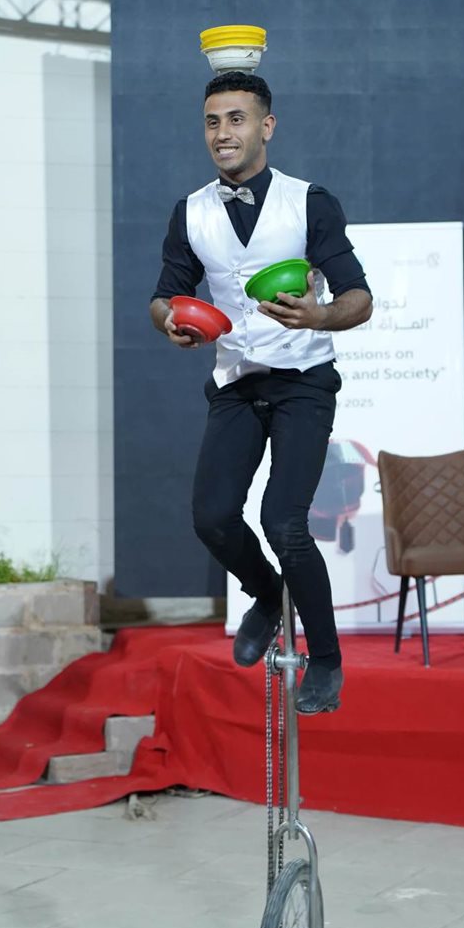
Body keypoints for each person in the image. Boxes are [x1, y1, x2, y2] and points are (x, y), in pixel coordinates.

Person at [150, 71, 372, 714]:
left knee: (283, 520)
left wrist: (320, 315)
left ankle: (326, 659)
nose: (223, 132)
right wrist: (170, 321)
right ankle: (267, 594)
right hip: (237, 381)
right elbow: (165, 296)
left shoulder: (310, 202)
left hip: (303, 380)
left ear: (266, 127)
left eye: (237, 119)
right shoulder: (190, 211)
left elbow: (359, 297)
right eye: (213, 121)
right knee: (212, 517)